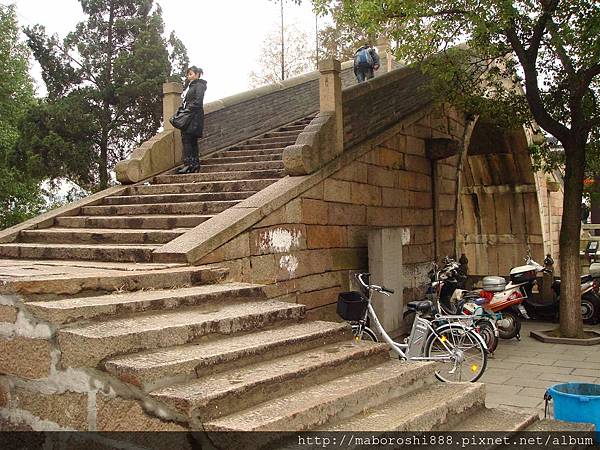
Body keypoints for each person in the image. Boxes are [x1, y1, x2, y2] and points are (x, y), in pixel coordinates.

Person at [176, 66, 207, 174]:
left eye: (191, 74)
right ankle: (194, 164)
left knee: (187, 139)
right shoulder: (193, 85)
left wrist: (188, 109)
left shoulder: (199, 85)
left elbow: (199, 101)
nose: (189, 76)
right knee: (191, 140)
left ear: (197, 74)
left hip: (194, 116)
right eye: (188, 74)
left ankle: (189, 164)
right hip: (192, 115)